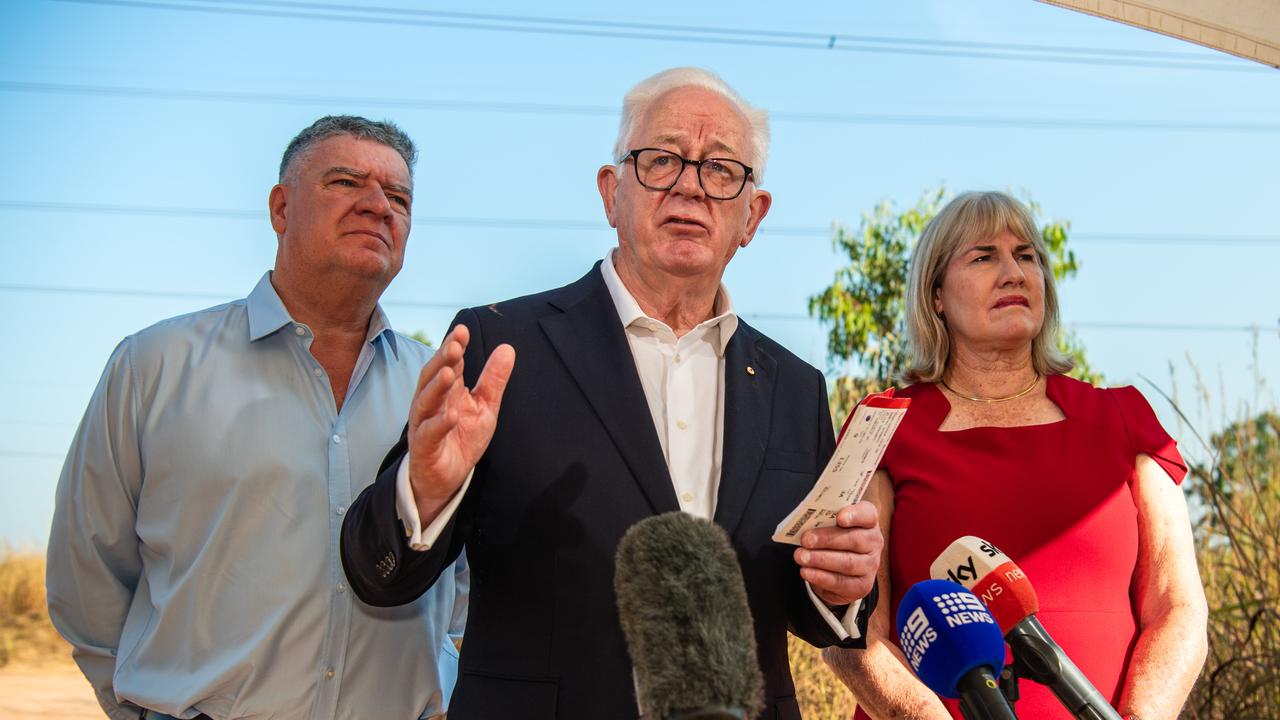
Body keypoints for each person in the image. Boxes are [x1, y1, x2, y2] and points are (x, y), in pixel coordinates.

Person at [339, 67, 882, 720]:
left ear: (752, 215)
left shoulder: (796, 387)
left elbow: (819, 618)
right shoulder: (499, 347)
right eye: (661, 160)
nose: (689, 185)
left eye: (720, 170)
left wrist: (845, 581)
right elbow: (380, 574)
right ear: (611, 192)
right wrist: (423, 490)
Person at [46, 116, 469, 720]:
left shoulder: (444, 391)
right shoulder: (154, 366)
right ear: (280, 208)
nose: (378, 205)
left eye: (398, 197)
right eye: (346, 182)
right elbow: (87, 573)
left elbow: (466, 588)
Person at [823, 191, 1208, 719]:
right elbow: (848, 634)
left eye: (1026, 256)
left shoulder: (1125, 418)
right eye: (984, 257)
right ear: (935, 294)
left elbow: (1179, 608)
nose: (1014, 273)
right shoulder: (883, 426)